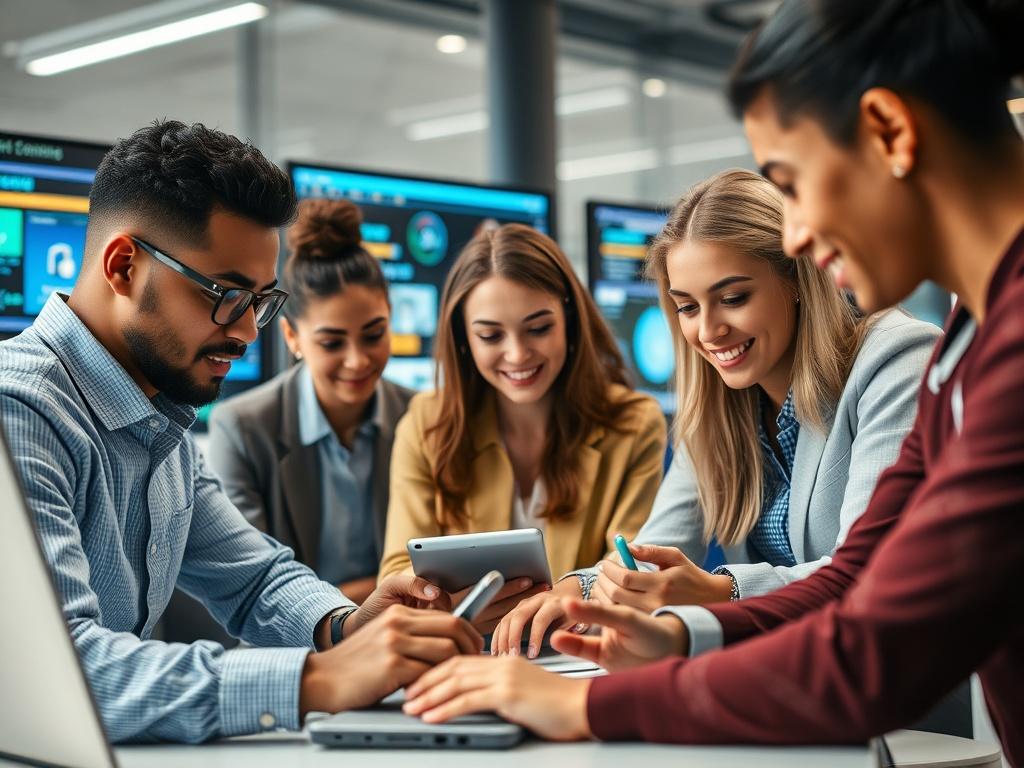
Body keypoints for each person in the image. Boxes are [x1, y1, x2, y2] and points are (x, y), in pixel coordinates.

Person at [398, 0, 1024, 761]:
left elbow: (872, 650)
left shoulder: (974, 348)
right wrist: (667, 631)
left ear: (890, 131)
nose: (795, 234)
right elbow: (853, 579)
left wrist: (590, 704)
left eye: (792, 183)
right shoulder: (972, 338)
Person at [0, 120, 481, 744]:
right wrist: (319, 679)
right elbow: (59, 671)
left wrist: (348, 627)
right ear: (123, 266)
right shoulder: (21, 410)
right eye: (226, 294)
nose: (248, 331)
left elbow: (254, 579)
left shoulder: (161, 414)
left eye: (260, 300)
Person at [494, 168, 939, 655]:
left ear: (796, 277)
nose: (709, 331)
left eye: (732, 298)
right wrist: (579, 591)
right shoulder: (716, 405)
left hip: (904, 696)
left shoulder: (895, 360)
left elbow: (870, 571)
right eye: (687, 307)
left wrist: (722, 592)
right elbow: (655, 549)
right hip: (787, 682)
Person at [378, 223, 667, 633]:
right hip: (463, 651)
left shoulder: (634, 423)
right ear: (465, 339)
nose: (516, 354)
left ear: (569, 321)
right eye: (491, 335)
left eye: (538, 328)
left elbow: (630, 570)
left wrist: (573, 597)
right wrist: (447, 606)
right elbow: (397, 575)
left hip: (582, 650)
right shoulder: (427, 423)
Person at [208, 199, 414, 605]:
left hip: (415, 637)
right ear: (292, 338)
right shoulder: (243, 429)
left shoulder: (423, 416)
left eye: (374, 334)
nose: (357, 360)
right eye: (332, 342)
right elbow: (258, 595)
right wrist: (377, 596)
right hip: (302, 650)